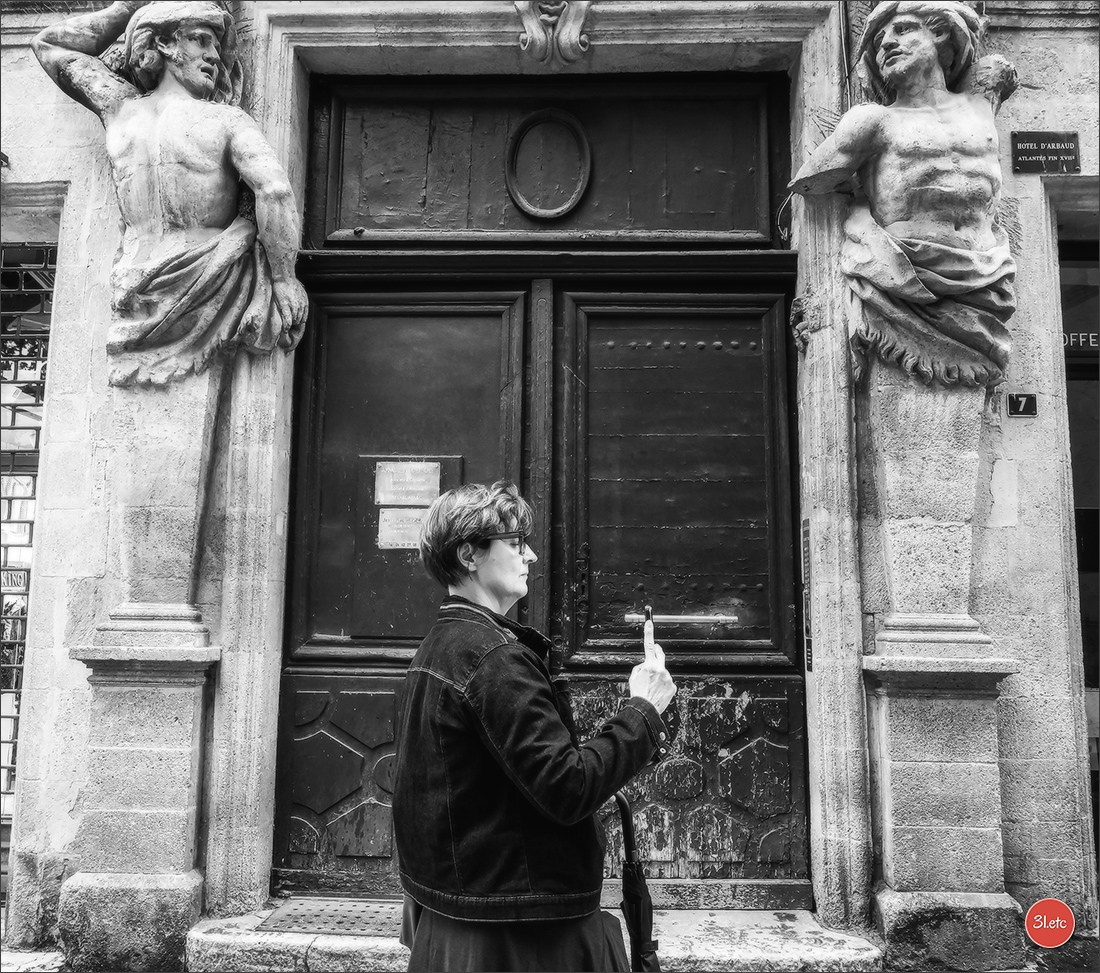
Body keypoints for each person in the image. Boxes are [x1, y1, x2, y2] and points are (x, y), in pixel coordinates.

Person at [393, 481, 676, 973]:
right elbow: (569, 787)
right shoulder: (492, 658)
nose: (532, 555)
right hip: (520, 938)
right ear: (469, 554)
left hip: (474, 916)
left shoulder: (437, 648)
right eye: (516, 542)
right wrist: (643, 710)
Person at [33, 0, 308, 386]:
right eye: (201, 40)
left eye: (216, 47)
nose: (214, 56)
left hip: (132, 285)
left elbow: (48, 44)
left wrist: (123, 8)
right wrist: (283, 278)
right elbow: (274, 190)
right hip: (208, 280)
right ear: (162, 43)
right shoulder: (227, 120)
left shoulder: (118, 109)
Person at [789, 0, 1017, 387]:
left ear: (941, 33)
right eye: (878, 40)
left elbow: (994, 71)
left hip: (985, 276)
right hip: (904, 274)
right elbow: (811, 180)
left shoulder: (982, 105)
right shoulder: (873, 121)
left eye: (903, 29)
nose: (886, 44)